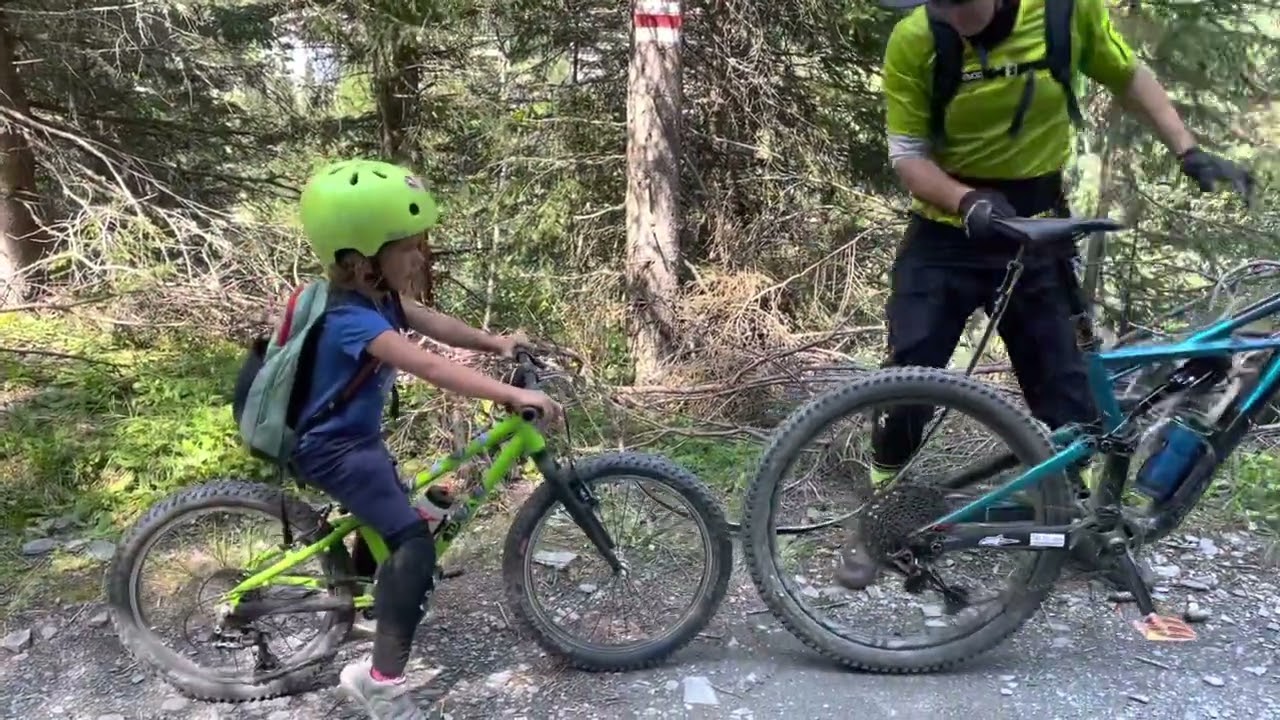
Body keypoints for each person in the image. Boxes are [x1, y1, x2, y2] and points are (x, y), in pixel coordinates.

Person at [836, 0, 1254, 591]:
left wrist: (1187, 149)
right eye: (938, 6)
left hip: (1036, 226)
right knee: (909, 376)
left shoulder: (1063, 11)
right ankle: (876, 518)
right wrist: (968, 201)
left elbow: (1127, 73)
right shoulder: (917, 38)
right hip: (947, 231)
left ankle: (1074, 520)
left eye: (959, 7)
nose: (949, 17)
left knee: (1070, 400)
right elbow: (909, 157)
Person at [291, 158, 563, 719]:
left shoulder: (374, 298)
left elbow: (427, 320)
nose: (420, 256)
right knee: (413, 542)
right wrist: (514, 396)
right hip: (332, 449)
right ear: (362, 261)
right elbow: (430, 367)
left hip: (353, 438)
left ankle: (376, 603)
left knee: (402, 510)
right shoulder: (351, 320)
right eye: (407, 247)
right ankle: (381, 684)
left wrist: (496, 342)